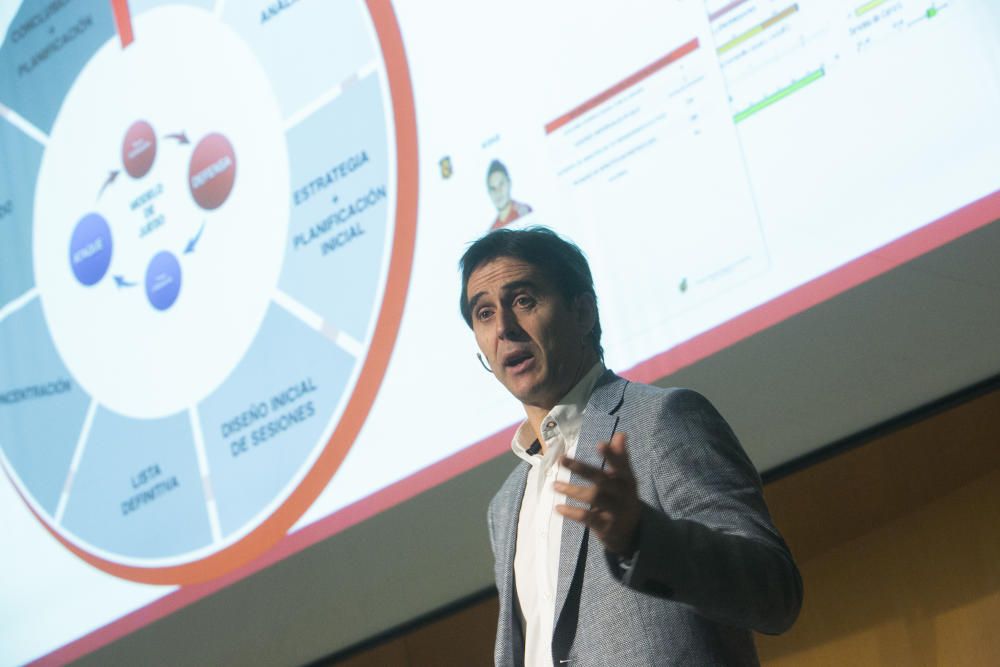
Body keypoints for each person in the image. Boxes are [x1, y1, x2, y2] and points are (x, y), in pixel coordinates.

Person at [459, 227, 802, 666]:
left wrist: (642, 536)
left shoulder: (662, 419)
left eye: (524, 301)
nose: (504, 328)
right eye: (484, 314)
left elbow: (775, 592)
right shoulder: (505, 506)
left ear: (582, 312)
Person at [487, 159, 532, 230]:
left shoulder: (523, 211)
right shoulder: (492, 229)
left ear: (509, 183)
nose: (498, 192)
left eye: (501, 184)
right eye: (493, 188)